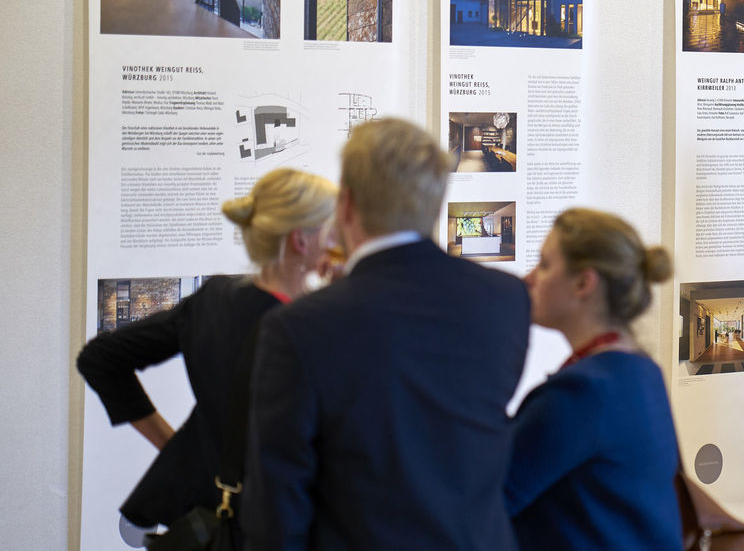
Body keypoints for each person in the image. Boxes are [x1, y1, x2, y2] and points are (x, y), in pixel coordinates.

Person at [244, 117, 530, 551]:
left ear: (346, 206)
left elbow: (278, 502)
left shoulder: (300, 327)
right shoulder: (506, 299)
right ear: (435, 204)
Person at [77, 167, 337, 532]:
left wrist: (172, 446)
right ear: (301, 240)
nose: (338, 237)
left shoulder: (215, 300)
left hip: (214, 511)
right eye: (331, 226)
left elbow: (99, 358)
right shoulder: (312, 324)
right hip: (284, 520)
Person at [505, 208, 681, 550]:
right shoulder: (642, 371)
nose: (529, 278)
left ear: (584, 283)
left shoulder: (582, 393)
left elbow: (489, 497)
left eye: (544, 265)